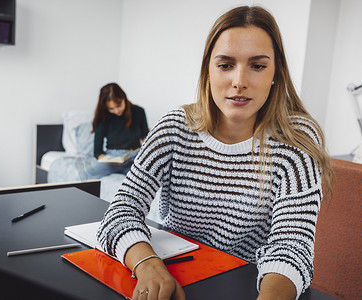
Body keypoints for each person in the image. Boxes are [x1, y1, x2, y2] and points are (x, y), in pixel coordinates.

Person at [96, 5, 334, 300]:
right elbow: (120, 211)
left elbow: (291, 247)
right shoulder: (175, 126)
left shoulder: (296, 139)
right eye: (225, 65)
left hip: (250, 287)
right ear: (208, 70)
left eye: (257, 66)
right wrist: (147, 264)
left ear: (276, 73)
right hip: (174, 281)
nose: (239, 81)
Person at [76, 83, 149, 180]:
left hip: (133, 157)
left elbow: (146, 137)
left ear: (124, 98)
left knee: (145, 178)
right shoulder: (103, 117)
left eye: (119, 105)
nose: (116, 111)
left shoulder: (139, 111)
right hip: (112, 158)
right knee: (84, 176)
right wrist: (108, 159)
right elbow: (97, 152)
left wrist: (146, 143)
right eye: (111, 108)